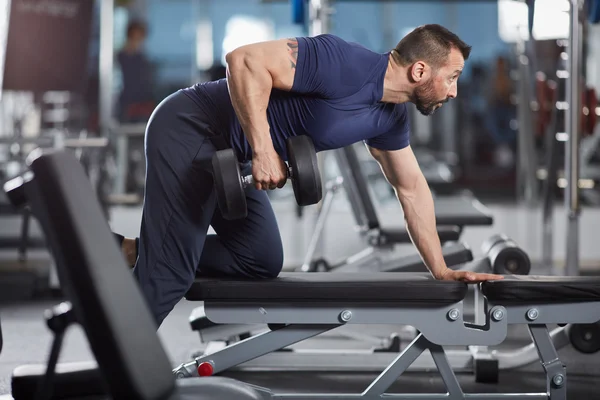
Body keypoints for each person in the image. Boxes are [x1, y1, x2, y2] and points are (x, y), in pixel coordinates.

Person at [115, 24, 504, 327]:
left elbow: (411, 187)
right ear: (421, 70)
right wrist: (265, 150)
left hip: (232, 158)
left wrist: (440, 269)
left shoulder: (389, 117)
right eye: (451, 77)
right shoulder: (344, 62)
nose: (454, 91)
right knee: (169, 274)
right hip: (190, 127)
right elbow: (243, 60)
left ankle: (137, 249)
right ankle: (120, 375)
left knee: (259, 259)